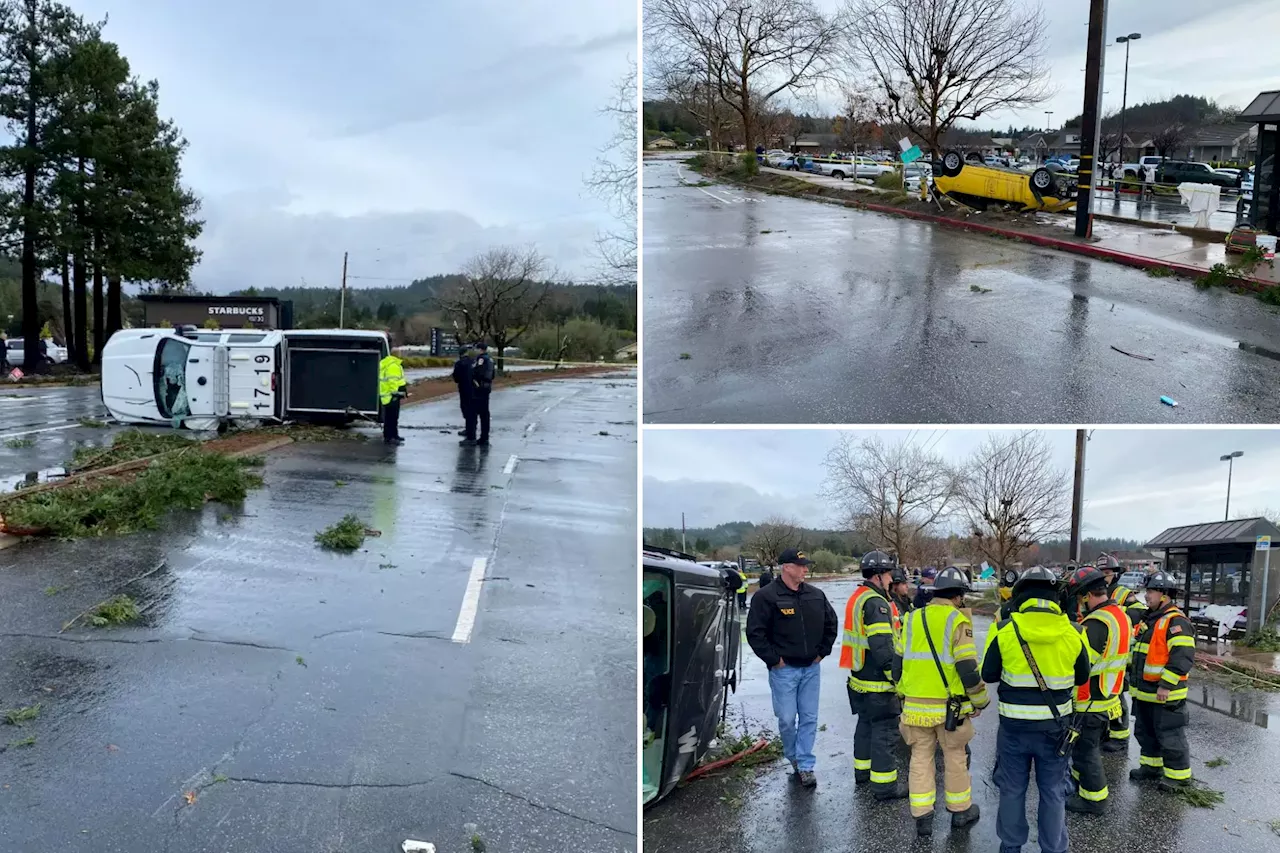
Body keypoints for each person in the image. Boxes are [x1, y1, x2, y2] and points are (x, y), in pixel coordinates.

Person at [981, 566, 1090, 853]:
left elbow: (989, 674)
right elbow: (1082, 678)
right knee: (1053, 792)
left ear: (1020, 595)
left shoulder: (1005, 628)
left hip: (1014, 729)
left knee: (1012, 790)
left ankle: (1011, 847)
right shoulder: (1074, 632)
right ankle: (1053, 848)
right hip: (1056, 731)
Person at [896, 566, 986, 837]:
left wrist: (901, 693)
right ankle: (960, 812)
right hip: (949, 708)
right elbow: (967, 668)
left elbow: (897, 663)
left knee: (920, 757)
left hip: (914, 706)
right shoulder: (957, 621)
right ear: (959, 596)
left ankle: (922, 816)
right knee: (955, 756)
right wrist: (980, 700)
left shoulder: (911, 618)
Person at [745, 549, 837, 788]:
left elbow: (831, 624)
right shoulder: (766, 597)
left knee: (809, 717)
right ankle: (793, 756)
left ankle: (805, 765)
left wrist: (822, 653)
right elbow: (755, 633)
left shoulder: (816, 595)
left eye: (806, 565)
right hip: (784, 670)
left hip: (810, 668)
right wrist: (775, 660)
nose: (805, 569)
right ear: (786, 567)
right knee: (786, 719)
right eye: (801, 565)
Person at [1062, 566, 1132, 814]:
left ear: (1087, 595)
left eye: (1081, 598)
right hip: (1109, 695)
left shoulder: (1096, 622)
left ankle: (1094, 800)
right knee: (1085, 748)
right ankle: (1083, 788)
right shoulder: (1121, 615)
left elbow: (1082, 664)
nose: (1080, 604)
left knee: (1085, 751)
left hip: (1090, 699)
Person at [838, 550, 906, 800]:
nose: (891, 580)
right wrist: (896, 678)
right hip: (878, 683)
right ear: (878, 576)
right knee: (885, 732)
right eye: (888, 574)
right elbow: (882, 647)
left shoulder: (858, 596)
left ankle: (863, 773)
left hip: (859, 680)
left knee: (865, 726)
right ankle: (885, 787)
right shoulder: (876, 603)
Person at [1128, 571, 1194, 791]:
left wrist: (1166, 684)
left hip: (1165, 693)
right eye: (1147, 591)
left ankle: (1178, 777)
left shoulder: (1175, 621)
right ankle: (1151, 767)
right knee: (1146, 733)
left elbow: (1182, 656)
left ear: (1164, 595)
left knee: (1169, 735)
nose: (1147, 596)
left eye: (1151, 591)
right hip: (1146, 692)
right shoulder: (1151, 619)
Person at [1096, 553, 1135, 751]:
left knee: (1116, 694)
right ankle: (1106, 732)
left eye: (1108, 573)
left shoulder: (1122, 593)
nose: (1104, 576)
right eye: (1101, 572)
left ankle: (1120, 735)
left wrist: (1119, 616)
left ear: (1116, 574)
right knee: (1103, 695)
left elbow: (1138, 613)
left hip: (1119, 651)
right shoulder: (1093, 591)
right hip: (1102, 650)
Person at [377, 344, 408, 445]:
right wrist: (396, 393)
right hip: (392, 396)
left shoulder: (388, 363)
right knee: (392, 418)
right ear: (397, 354)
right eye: (400, 353)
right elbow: (393, 381)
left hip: (387, 396)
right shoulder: (393, 365)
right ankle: (390, 437)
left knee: (391, 418)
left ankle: (393, 435)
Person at [466, 341, 495, 447]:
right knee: (485, 413)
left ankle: (481, 437)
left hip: (480, 388)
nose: (475, 351)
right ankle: (484, 436)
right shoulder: (490, 359)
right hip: (486, 387)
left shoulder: (482, 359)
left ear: (480, 349)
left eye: (477, 349)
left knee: (478, 413)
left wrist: (473, 378)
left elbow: (478, 372)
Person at [451, 344, 475, 436]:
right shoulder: (473, 362)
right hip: (474, 388)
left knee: (465, 409)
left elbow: (456, 378)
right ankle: (471, 429)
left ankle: (469, 431)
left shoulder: (459, 363)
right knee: (472, 409)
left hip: (464, 389)